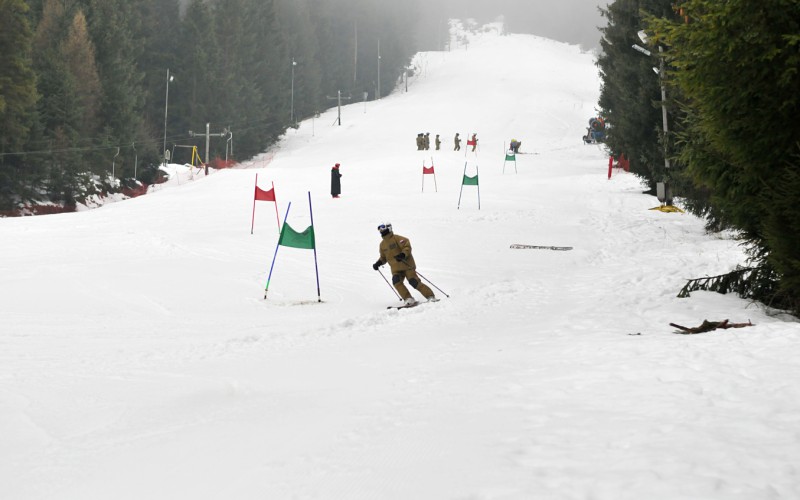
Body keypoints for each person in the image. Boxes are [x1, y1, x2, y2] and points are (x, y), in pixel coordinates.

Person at [372, 223, 437, 305]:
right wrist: (378, 263)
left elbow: (407, 246)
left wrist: (403, 254)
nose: (381, 230)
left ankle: (430, 296)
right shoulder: (382, 245)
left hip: (407, 265)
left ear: (389, 228)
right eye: (380, 229)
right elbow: (383, 257)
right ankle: (408, 299)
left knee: (413, 281)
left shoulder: (397, 238)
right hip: (396, 269)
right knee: (396, 282)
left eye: (383, 228)